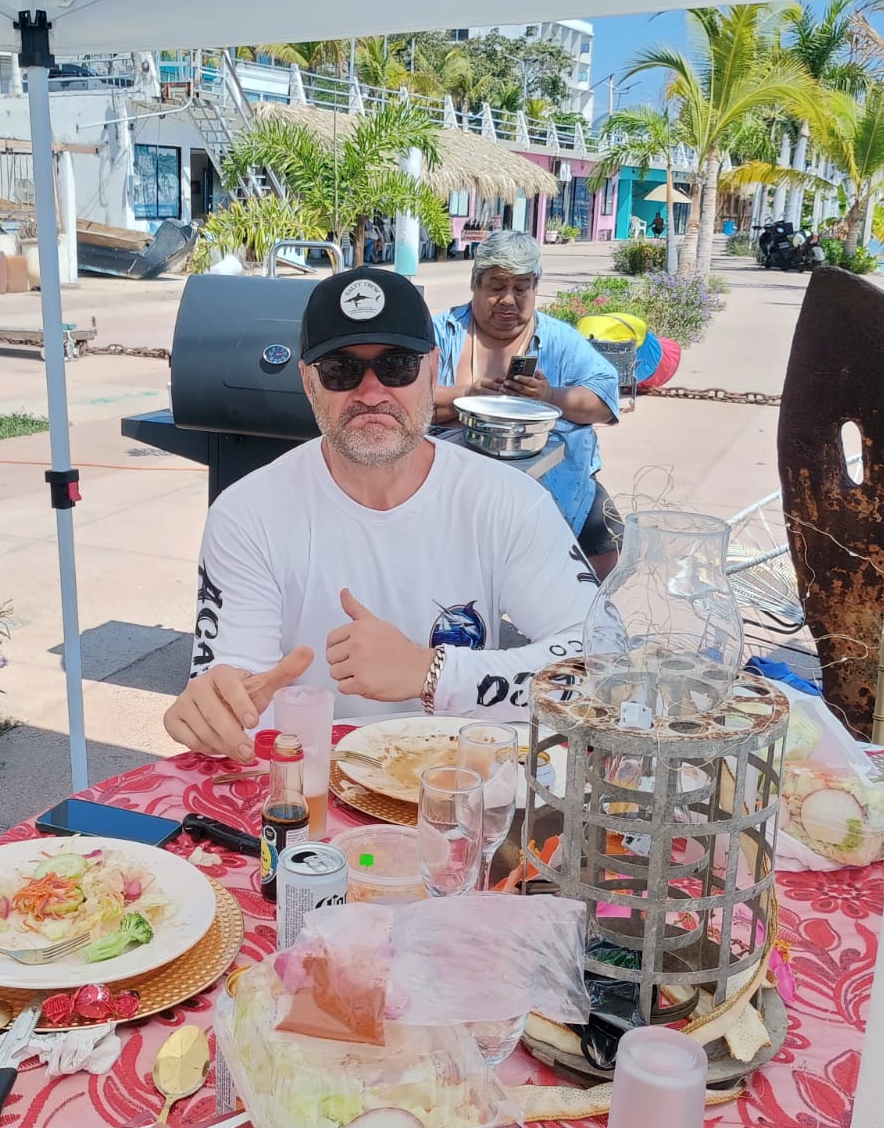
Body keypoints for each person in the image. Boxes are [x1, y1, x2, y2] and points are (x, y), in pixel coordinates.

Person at [163, 267, 605, 762]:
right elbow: (235, 679)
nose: (371, 392)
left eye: (397, 367)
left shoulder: (506, 501)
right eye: (340, 370)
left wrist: (432, 673)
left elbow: (603, 660)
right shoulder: (248, 515)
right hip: (308, 786)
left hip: (463, 788)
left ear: (432, 370)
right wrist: (218, 706)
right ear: (308, 382)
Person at [432, 230, 625, 579]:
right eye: (496, 287)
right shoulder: (442, 333)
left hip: (553, 480)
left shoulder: (559, 340)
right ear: (475, 284)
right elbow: (407, 400)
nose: (508, 300)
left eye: (521, 288)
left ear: (535, 287)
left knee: (606, 550)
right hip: (453, 486)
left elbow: (604, 402)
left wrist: (550, 397)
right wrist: (467, 397)